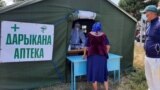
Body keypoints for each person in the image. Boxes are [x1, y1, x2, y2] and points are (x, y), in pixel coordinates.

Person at [83, 22, 110, 90]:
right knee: (104, 75)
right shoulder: (104, 35)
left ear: (93, 27)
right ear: (100, 28)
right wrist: (105, 53)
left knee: (93, 75)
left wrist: (84, 55)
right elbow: (108, 46)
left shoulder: (89, 35)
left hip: (92, 57)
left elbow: (86, 46)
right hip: (102, 57)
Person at [142, 5, 160, 90]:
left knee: (157, 82)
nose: (145, 15)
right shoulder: (149, 25)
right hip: (147, 57)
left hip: (156, 58)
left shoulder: (159, 24)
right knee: (149, 80)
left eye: (147, 13)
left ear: (153, 13)